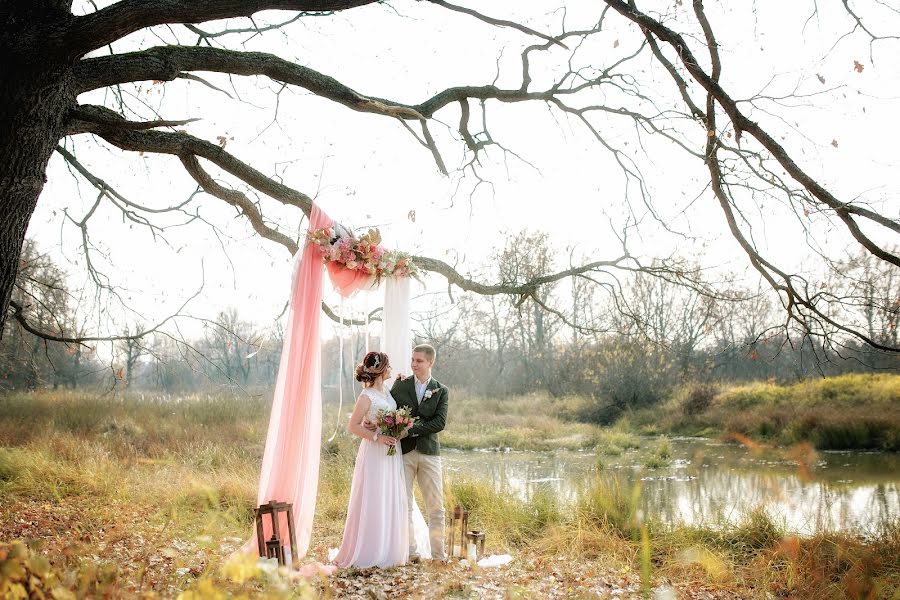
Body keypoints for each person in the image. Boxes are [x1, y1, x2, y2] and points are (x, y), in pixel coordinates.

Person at [333, 351, 410, 568]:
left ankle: (389, 546)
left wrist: (394, 428)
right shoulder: (366, 396)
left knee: (389, 494)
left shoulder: (386, 390)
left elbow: (388, 415)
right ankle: (371, 548)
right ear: (381, 369)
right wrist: (377, 436)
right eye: (389, 367)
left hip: (391, 452)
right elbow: (353, 425)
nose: (391, 370)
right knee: (374, 495)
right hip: (375, 451)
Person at [391, 344, 449, 563]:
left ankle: (438, 555)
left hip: (429, 454)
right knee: (404, 505)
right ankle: (411, 552)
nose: (414, 364)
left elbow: (439, 422)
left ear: (430, 362)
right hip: (404, 453)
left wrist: (411, 429)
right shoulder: (401, 384)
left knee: (436, 507)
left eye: (419, 361)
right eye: (412, 360)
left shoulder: (441, 390)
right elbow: (388, 408)